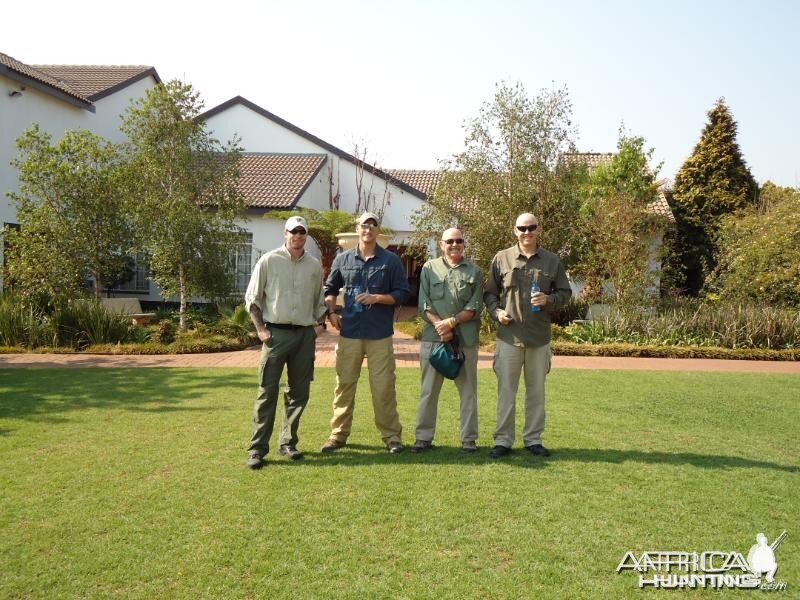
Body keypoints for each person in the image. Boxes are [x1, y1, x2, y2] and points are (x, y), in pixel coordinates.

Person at [484, 212, 572, 458]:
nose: (527, 232)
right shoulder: (501, 258)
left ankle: (533, 440)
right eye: (522, 228)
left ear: (538, 229)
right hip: (509, 338)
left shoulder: (552, 261)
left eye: (531, 227)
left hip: (538, 338)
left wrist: (549, 299)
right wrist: (496, 311)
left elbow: (565, 293)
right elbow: (489, 294)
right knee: (506, 393)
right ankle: (503, 441)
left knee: (536, 393)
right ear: (515, 230)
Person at [321, 211, 410, 453]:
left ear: (378, 231)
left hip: (379, 334)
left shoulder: (390, 261)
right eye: (364, 225)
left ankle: (392, 437)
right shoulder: (343, 260)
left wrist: (377, 298)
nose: (368, 229)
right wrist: (331, 312)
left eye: (373, 225)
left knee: (383, 387)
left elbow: (403, 293)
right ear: (357, 228)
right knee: (344, 385)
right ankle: (337, 436)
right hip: (349, 331)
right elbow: (330, 288)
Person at [244, 215, 327, 469]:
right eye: (294, 232)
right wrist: (261, 330)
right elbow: (253, 299)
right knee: (266, 391)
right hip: (275, 334)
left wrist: (318, 326)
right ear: (285, 233)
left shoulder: (314, 266)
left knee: (298, 393)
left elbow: (319, 302)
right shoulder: (269, 261)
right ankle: (257, 449)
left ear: (306, 236)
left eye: (302, 233)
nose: (298, 236)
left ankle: (288, 443)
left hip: (304, 336)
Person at [412, 227, 483, 453]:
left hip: (465, 341)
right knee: (428, 391)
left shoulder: (474, 271)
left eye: (459, 240)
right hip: (434, 339)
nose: (454, 245)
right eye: (449, 241)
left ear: (464, 243)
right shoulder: (429, 268)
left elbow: (475, 306)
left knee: (468, 392)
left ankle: (468, 440)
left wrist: (450, 323)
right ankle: (423, 438)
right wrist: (440, 326)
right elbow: (424, 303)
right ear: (441, 244)